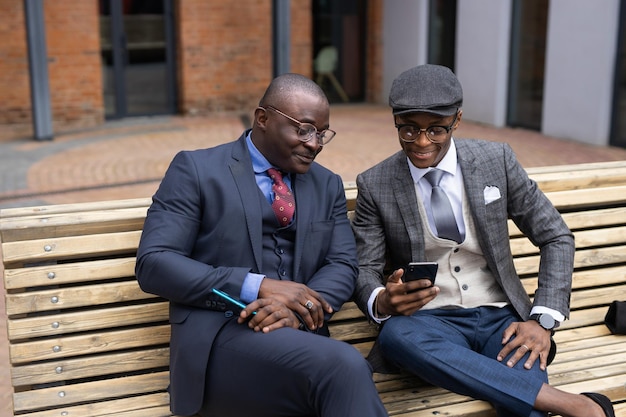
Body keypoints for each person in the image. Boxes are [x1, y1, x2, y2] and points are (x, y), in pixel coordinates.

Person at [351, 64, 615, 417]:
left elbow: (556, 235)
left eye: (436, 129)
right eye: (409, 129)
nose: (422, 142)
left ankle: (541, 398)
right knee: (395, 337)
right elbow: (363, 268)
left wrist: (542, 321)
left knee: (522, 404)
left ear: (457, 120)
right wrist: (382, 300)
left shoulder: (496, 161)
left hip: (500, 319)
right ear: (395, 122)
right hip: (429, 323)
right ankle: (573, 404)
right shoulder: (376, 183)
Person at [136, 73, 388, 417]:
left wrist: (297, 311)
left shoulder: (327, 184)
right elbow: (154, 263)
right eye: (303, 129)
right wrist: (256, 286)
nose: (314, 143)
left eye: (321, 133)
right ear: (263, 119)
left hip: (299, 339)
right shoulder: (197, 169)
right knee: (345, 367)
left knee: (336, 383)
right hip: (219, 341)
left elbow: (342, 263)